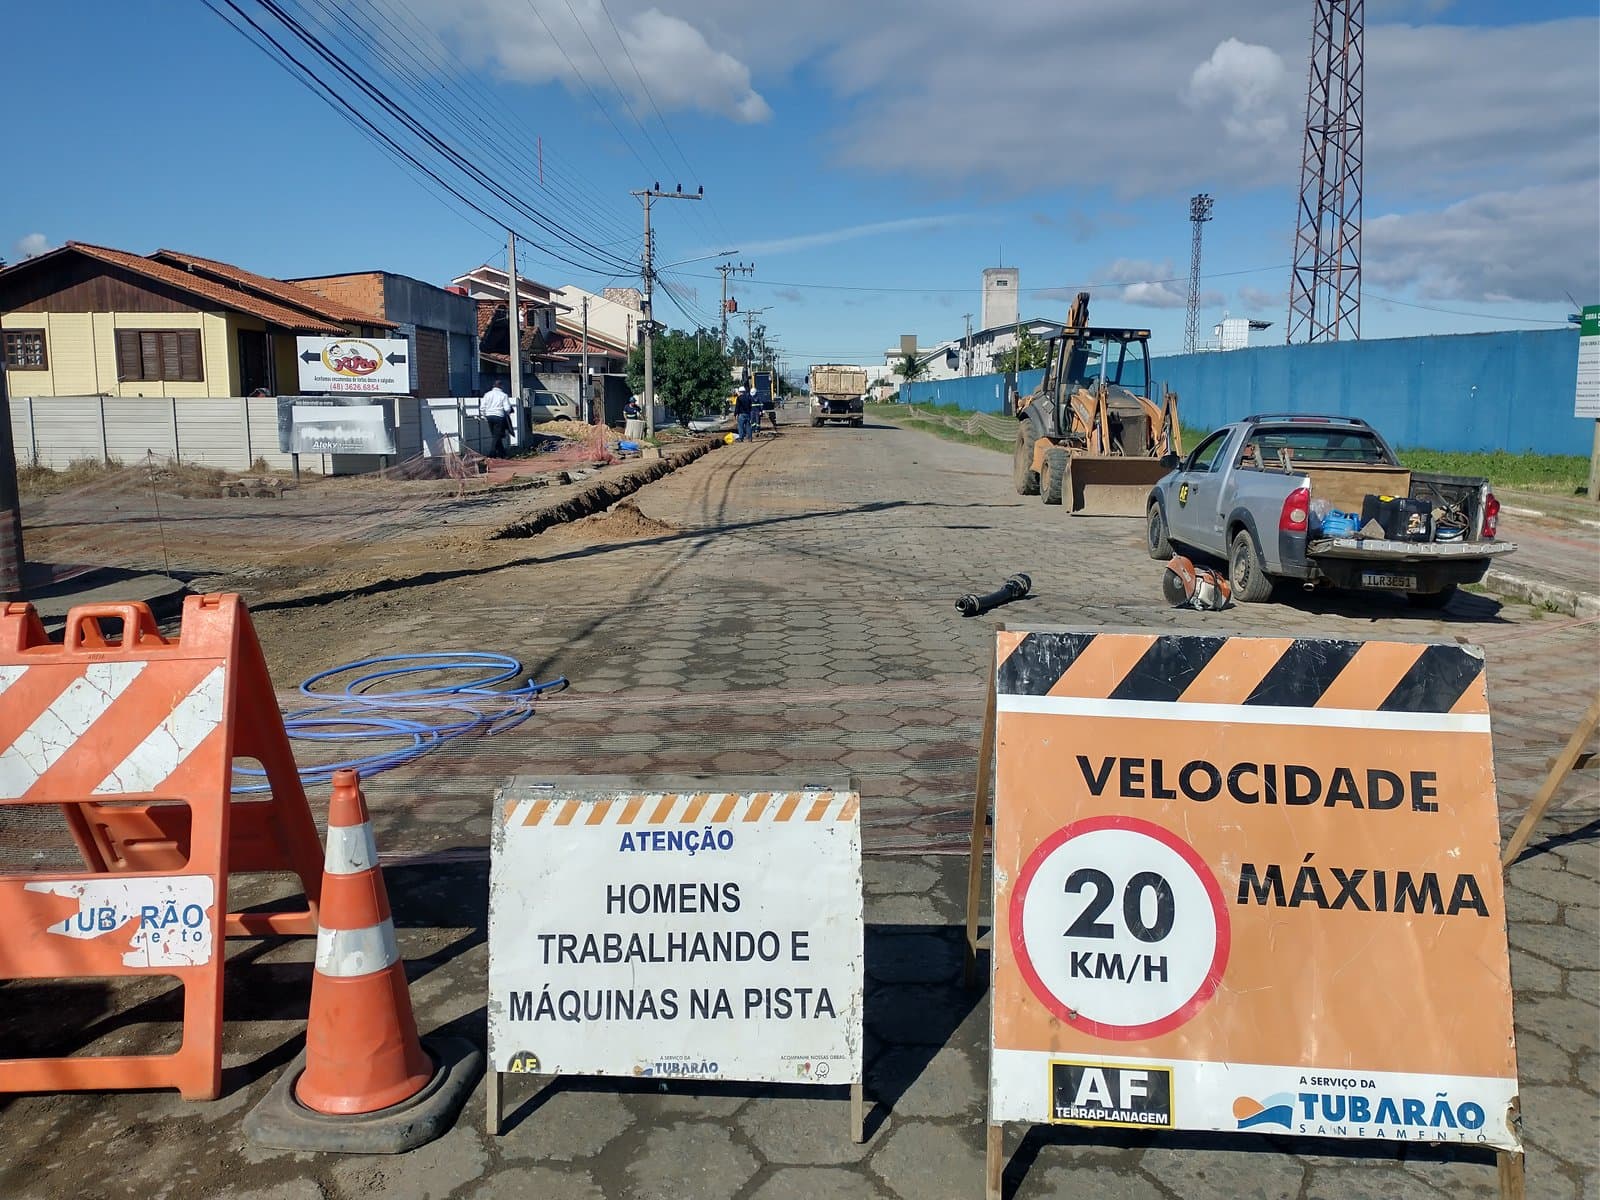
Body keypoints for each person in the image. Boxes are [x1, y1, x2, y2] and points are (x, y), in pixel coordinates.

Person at [481, 382, 513, 457]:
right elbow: (507, 408)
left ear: (493, 386)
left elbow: (482, 407)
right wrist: (508, 412)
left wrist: (484, 415)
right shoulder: (504, 395)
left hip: (489, 416)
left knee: (495, 435)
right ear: (501, 386)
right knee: (496, 436)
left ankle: (502, 453)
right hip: (499, 416)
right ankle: (492, 454)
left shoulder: (487, 394)